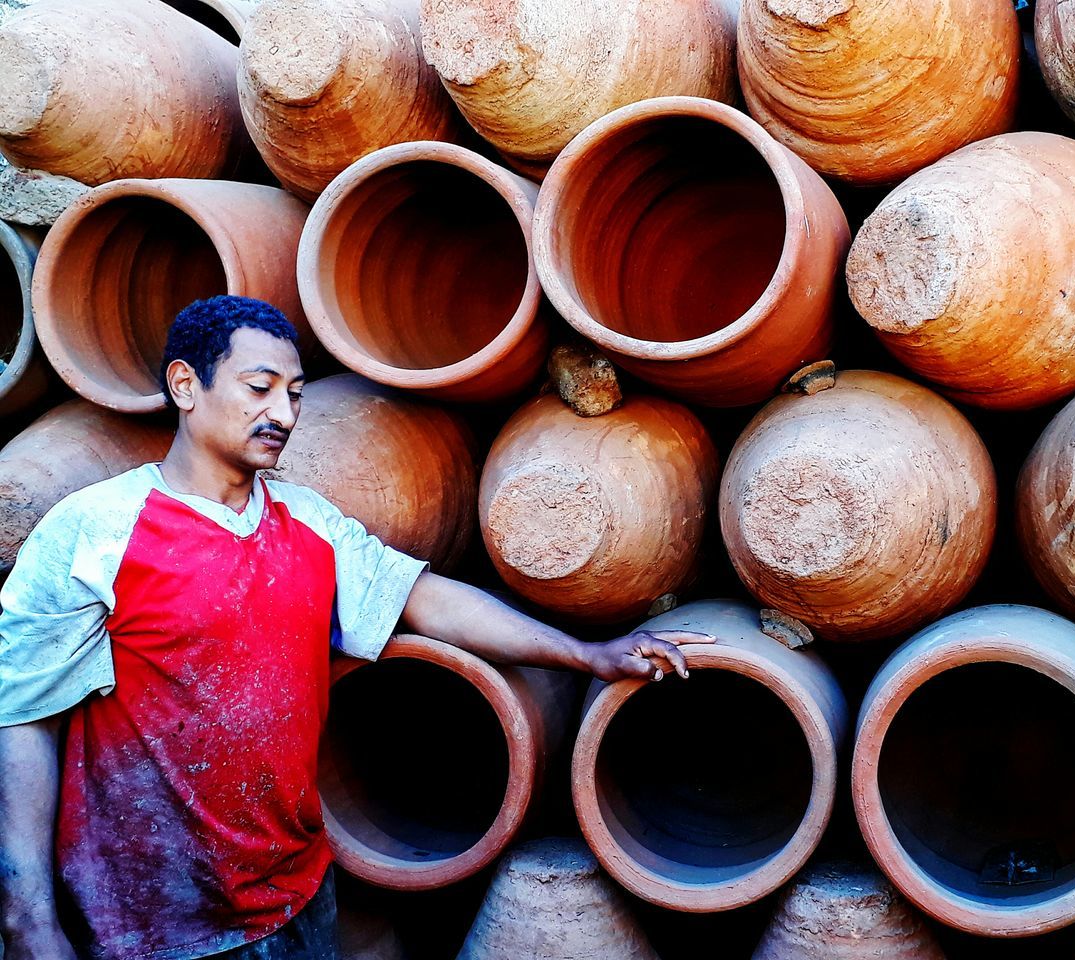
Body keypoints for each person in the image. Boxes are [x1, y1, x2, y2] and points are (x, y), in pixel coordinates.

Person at [0, 296, 710, 960]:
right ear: (187, 386)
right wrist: (28, 917)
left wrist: (586, 654)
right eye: (259, 387)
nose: (283, 411)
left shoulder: (309, 524)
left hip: (297, 897)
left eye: (298, 393)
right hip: (143, 919)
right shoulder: (94, 532)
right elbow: (22, 720)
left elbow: (426, 601)